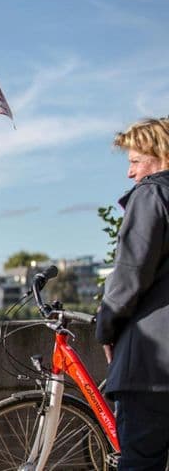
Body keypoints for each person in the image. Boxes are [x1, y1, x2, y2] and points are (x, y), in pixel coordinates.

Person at [96, 117, 169, 471]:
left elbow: (130, 274)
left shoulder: (152, 195)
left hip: (152, 369)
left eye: (136, 161)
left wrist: (106, 328)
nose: (130, 173)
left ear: (161, 155)